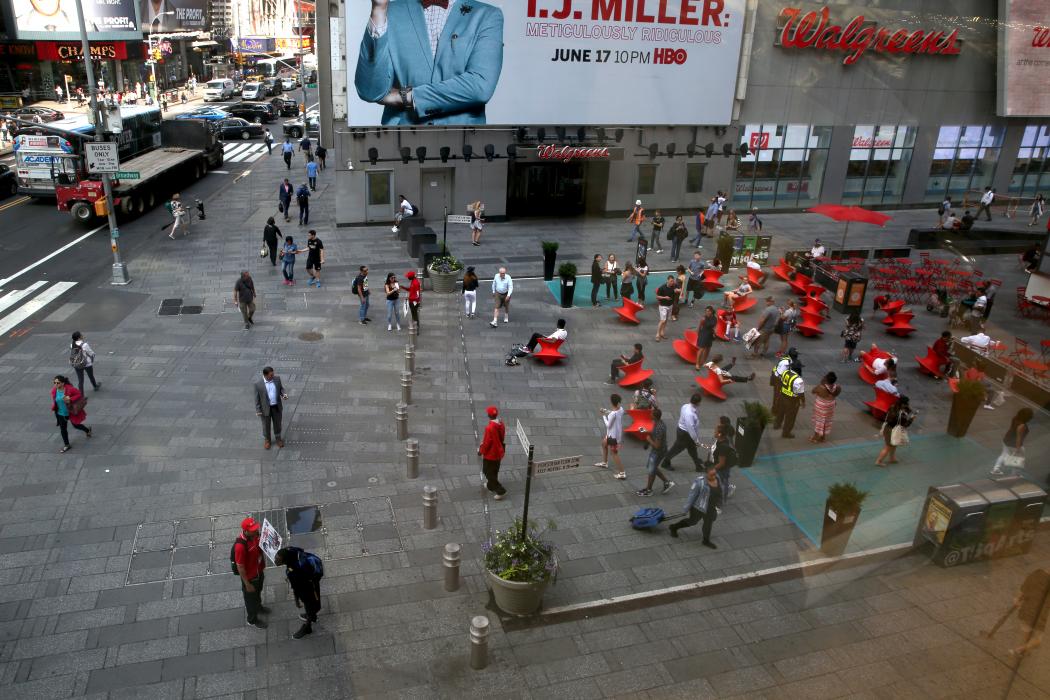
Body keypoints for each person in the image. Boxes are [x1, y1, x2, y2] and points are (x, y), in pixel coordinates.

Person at [353, 0, 504, 125]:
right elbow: (370, 91)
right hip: (402, 144)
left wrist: (407, 97)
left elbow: (480, 86)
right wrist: (379, 9)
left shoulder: (487, 16)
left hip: (464, 145)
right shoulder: (391, 11)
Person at [273, 547, 324, 639]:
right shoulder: (291, 551)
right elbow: (301, 549)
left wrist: (296, 600)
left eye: (278, 560)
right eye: (276, 558)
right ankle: (313, 616)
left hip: (307, 589)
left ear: (285, 560)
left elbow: (296, 588)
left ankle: (307, 628)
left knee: (309, 605)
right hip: (312, 582)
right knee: (314, 603)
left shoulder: (294, 571)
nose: (275, 561)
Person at [668, 466, 721, 548]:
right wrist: (686, 509)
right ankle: (674, 527)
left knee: (708, 523)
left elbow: (719, 491)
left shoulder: (717, 478)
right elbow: (691, 496)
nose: (714, 476)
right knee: (692, 521)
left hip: (711, 507)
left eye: (715, 474)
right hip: (699, 507)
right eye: (711, 475)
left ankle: (706, 540)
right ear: (706, 474)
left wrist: (719, 504)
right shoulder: (700, 482)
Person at [232, 518, 268, 628]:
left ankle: (258, 607)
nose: (256, 530)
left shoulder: (255, 535)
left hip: (259, 571)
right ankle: (252, 620)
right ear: (245, 531)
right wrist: (247, 584)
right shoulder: (240, 547)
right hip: (251, 577)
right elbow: (240, 567)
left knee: (258, 592)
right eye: (253, 529)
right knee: (250, 599)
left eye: (256, 528)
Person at [1009, 568, 1050, 658]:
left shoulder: (1038, 573)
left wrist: (1018, 598)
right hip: (1040, 614)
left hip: (1026, 610)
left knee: (1027, 633)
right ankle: (1020, 649)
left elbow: (1025, 587)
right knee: (1038, 641)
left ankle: (1024, 651)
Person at [636, 408, 675, 497]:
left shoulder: (659, 428)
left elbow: (657, 445)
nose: (650, 414)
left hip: (658, 452)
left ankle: (649, 490)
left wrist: (648, 440)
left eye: (651, 414)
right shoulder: (657, 423)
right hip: (657, 451)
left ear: (654, 416)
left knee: (651, 469)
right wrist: (646, 432)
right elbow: (654, 434)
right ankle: (666, 482)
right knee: (652, 468)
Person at [661, 393, 704, 472]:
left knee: (692, 449)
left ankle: (698, 465)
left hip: (683, 432)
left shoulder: (685, 406)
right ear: (698, 403)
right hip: (685, 434)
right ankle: (665, 462)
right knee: (677, 449)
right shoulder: (690, 414)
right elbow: (690, 428)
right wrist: (696, 440)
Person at [51, 375, 92, 453]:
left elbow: (79, 394)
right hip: (60, 413)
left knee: (76, 425)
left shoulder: (69, 389)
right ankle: (67, 445)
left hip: (71, 412)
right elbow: (55, 401)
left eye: (58, 383)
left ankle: (87, 430)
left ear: (63, 383)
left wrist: (70, 399)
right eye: (54, 382)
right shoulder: (54, 391)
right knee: (63, 429)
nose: (56, 384)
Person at [254, 367, 288, 449]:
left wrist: (284, 394)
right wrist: (258, 410)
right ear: (265, 375)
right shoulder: (258, 384)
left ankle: (278, 438)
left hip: (276, 407)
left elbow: (281, 389)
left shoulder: (277, 379)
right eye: (271, 375)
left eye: (273, 374)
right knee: (266, 425)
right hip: (265, 409)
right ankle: (267, 440)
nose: (273, 376)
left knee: (277, 424)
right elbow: (257, 399)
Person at [992, 408, 1033, 476]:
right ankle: (1015, 474)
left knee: (1004, 454)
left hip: (1006, 440)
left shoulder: (1015, 418)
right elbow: (1018, 438)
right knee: (1019, 459)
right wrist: (1018, 448)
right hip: (1013, 444)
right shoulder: (1022, 426)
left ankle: (996, 469)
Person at [876, 396, 915, 467]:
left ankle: (892, 458)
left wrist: (907, 410)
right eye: (907, 403)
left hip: (887, 427)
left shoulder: (893, 406)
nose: (908, 404)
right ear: (904, 404)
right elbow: (905, 424)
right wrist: (912, 419)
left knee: (894, 444)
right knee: (888, 447)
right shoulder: (901, 414)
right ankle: (879, 461)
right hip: (892, 430)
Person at [478, 406, 507, 499]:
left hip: (491, 454)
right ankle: (490, 485)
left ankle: (500, 490)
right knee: (494, 470)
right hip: (499, 451)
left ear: (489, 415)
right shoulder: (501, 424)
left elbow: (487, 443)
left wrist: (481, 451)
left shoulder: (489, 428)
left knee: (487, 471)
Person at [595, 394, 626, 480]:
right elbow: (614, 413)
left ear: (612, 402)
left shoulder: (612, 414)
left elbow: (608, 425)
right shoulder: (621, 409)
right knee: (604, 444)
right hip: (615, 434)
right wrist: (606, 411)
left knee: (614, 453)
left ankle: (622, 472)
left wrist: (603, 416)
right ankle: (605, 462)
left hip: (613, 436)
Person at [775, 360, 805, 438]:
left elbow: (781, 383)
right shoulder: (799, 380)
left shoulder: (785, 372)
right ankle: (786, 433)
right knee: (790, 418)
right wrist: (803, 402)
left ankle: (777, 424)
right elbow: (801, 393)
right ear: (798, 369)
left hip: (782, 397)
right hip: (792, 401)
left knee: (780, 412)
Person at [810, 372, 841, 443]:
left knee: (819, 421)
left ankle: (815, 437)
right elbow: (835, 394)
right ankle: (822, 437)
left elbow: (813, 391)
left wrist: (821, 383)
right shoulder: (838, 387)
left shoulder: (821, 387)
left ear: (826, 380)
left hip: (821, 407)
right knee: (826, 421)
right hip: (830, 406)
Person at [654, 275, 676, 342]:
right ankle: (657, 334)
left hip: (670, 305)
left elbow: (679, 289)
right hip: (663, 306)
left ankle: (662, 332)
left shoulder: (674, 286)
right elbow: (657, 297)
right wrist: (664, 297)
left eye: (673, 281)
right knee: (662, 320)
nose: (672, 282)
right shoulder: (662, 288)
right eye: (671, 281)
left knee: (666, 320)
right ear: (667, 280)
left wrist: (678, 290)